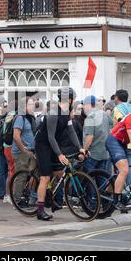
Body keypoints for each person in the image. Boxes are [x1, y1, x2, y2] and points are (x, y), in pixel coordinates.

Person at [34, 87, 86, 221]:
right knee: (45, 177)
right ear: (68, 99)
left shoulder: (66, 112)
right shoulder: (53, 113)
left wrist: (80, 147)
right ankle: (40, 210)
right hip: (43, 144)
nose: (73, 101)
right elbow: (50, 136)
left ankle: (50, 197)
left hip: (53, 144)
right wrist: (59, 154)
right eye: (72, 98)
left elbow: (71, 131)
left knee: (60, 173)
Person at [12, 96, 37, 205]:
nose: (33, 107)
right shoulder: (20, 118)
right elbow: (16, 136)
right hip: (21, 152)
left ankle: (26, 195)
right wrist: (23, 149)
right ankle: (17, 200)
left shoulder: (30, 118)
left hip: (30, 151)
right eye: (30, 105)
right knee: (20, 176)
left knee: (32, 174)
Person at [82, 95, 112, 182]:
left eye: (84, 105)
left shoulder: (90, 116)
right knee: (101, 180)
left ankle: (91, 196)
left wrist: (84, 151)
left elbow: (89, 137)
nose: (83, 107)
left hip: (92, 154)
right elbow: (112, 128)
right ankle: (101, 195)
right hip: (105, 153)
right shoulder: (104, 114)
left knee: (90, 180)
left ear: (88, 104)